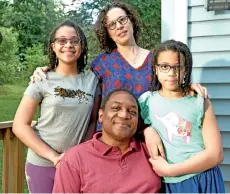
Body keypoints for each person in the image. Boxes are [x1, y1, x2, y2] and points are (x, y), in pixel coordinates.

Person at [30, 1, 208, 159]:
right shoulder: (101, 63)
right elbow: (74, 79)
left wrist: (189, 86)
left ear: (131, 21)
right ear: (106, 32)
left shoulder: (156, 59)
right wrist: (47, 69)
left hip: (152, 140)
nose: (119, 27)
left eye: (122, 20)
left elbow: (172, 88)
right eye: (111, 25)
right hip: (110, 144)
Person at [13, 20, 101, 193]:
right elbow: (20, 125)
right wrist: (54, 157)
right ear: (53, 46)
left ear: (81, 46)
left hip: (76, 164)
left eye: (74, 41)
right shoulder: (41, 79)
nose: (68, 45)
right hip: (42, 163)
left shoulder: (92, 80)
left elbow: (92, 121)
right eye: (62, 41)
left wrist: (78, 155)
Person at [138, 39, 225, 193]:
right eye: (165, 67)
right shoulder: (146, 102)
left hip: (203, 178)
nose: (171, 73)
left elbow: (215, 154)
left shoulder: (199, 101)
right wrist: (147, 130)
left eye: (178, 67)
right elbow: (132, 130)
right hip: (168, 185)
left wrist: (169, 170)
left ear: (186, 70)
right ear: (155, 69)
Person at [52, 88, 161, 193]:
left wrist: (149, 130)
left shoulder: (150, 150)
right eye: (116, 108)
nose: (124, 115)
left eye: (132, 112)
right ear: (101, 115)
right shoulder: (75, 158)